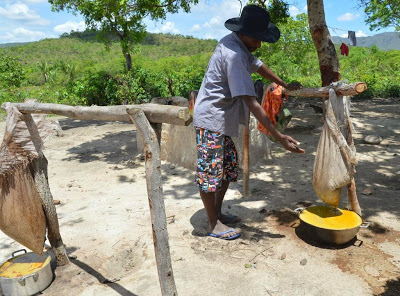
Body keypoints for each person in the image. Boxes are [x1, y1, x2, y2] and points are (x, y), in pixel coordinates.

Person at [193, 5, 305, 240]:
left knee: (225, 169)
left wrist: (283, 84)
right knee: (210, 173)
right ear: (243, 33)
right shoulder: (233, 54)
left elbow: (258, 66)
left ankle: (219, 213)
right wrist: (279, 136)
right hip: (211, 118)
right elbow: (251, 102)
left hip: (222, 118)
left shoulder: (240, 44)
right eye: (257, 38)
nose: (259, 43)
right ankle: (212, 223)